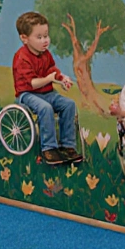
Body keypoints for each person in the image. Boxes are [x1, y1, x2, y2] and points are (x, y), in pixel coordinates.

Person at [11, 11, 80, 165]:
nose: (45, 40)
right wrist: (50, 79)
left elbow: (52, 70)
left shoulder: (45, 54)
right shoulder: (21, 57)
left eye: (46, 36)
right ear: (24, 38)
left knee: (69, 104)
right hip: (27, 94)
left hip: (47, 92)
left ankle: (68, 145)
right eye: (39, 37)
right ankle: (49, 148)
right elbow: (32, 83)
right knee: (45, 108)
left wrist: (62, 78)